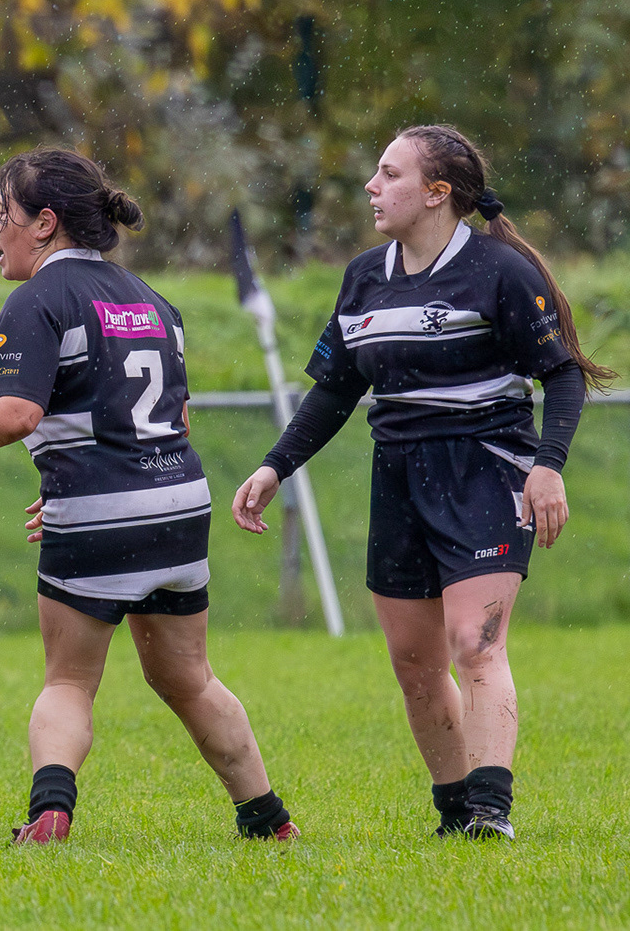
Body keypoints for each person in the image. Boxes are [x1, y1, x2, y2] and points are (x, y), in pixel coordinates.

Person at [0, 148, 299, 844]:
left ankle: (50, 811)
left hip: (98, 511)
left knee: (68, 683)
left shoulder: (39, 299)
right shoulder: (155, 301)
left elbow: (15, 415)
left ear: (45, 223)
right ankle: (268, 818)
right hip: (180, 504)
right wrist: (83, 474)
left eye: (2, 213)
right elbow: (173, 419)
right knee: (190, 679)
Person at [232, 125, 608, 840]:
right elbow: (335, 389)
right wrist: (275, 465)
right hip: (399, 476)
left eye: (389, 173)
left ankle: (491, 811)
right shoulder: (363, 277)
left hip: (486, 470)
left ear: (437, 193)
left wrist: (548, 466)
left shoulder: (500, 271)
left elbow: (562, 375)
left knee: (476, 643)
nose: (371, 187)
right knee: (415, 662)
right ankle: (455, 811)